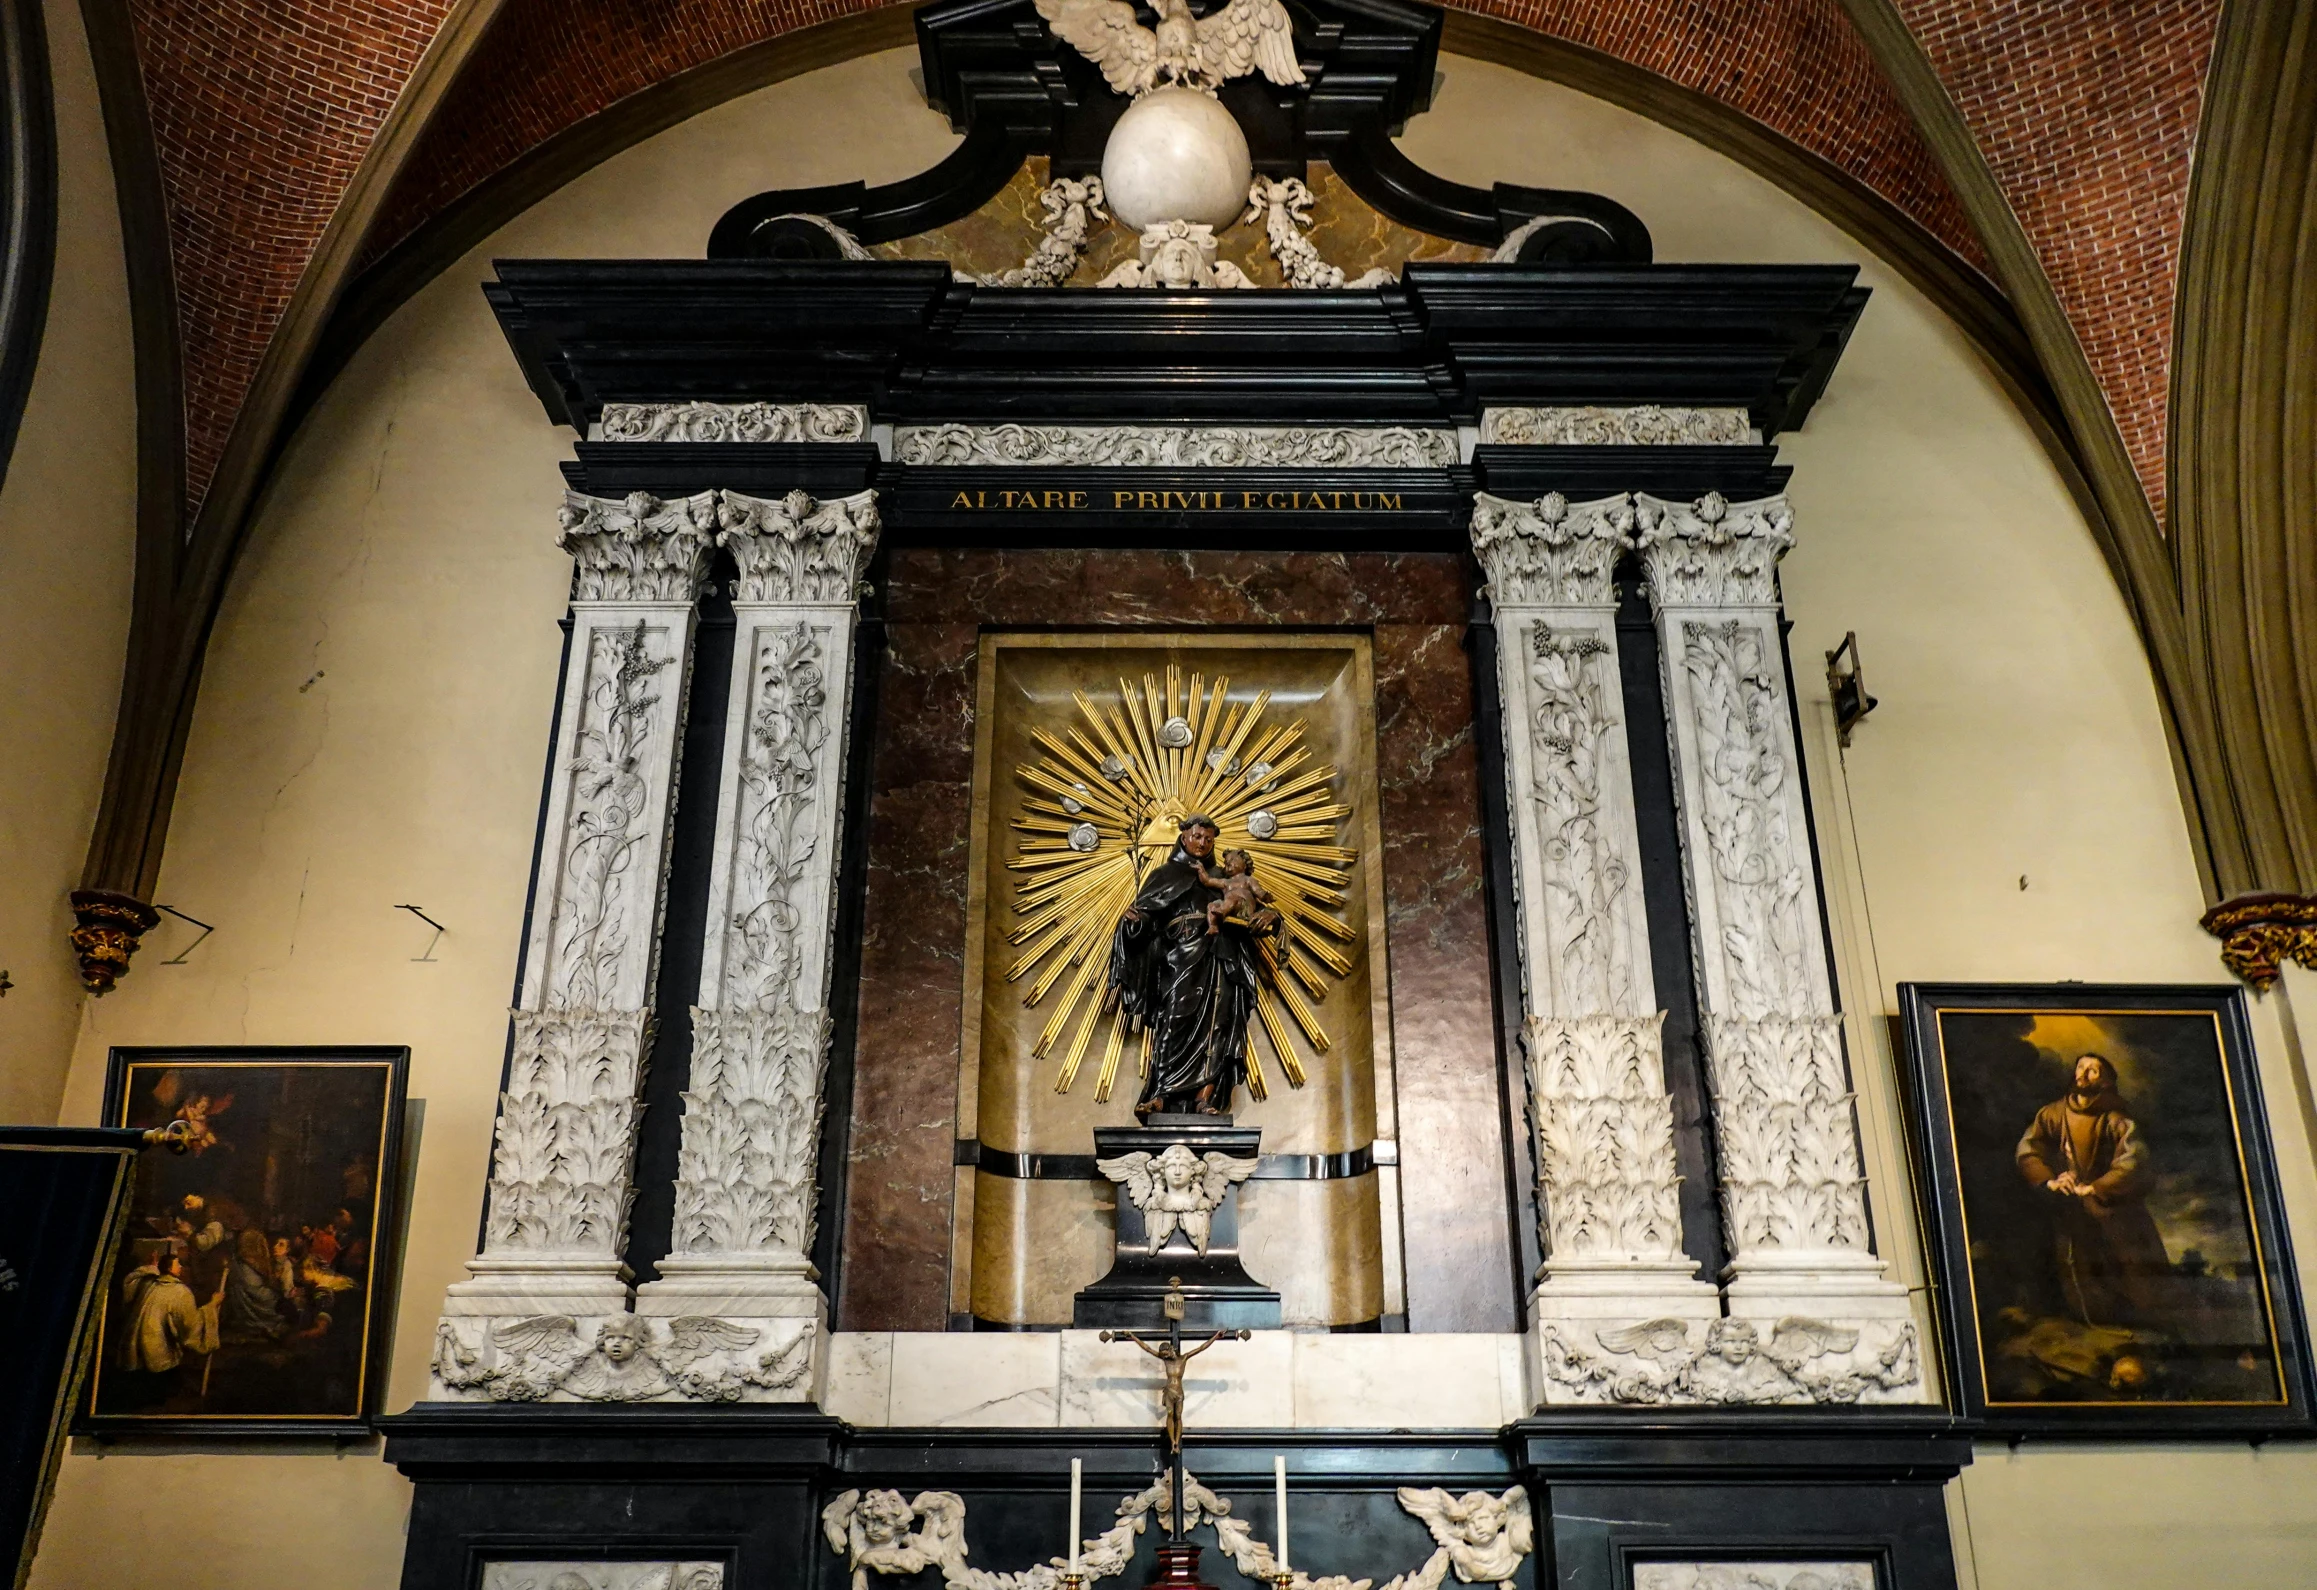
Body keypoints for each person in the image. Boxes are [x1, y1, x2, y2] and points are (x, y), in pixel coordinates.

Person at [1109, 815, 1280, 1118]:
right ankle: (1161, 1094)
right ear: (1184, 836)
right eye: (1197, 836)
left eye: (1209, 839)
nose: (1202, 843)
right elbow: (1147, 918)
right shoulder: (1163, 875)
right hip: (1179, 957)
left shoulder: (1220, 876)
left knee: (1218, 1024)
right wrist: (1134, 924)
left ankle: (1205, 1099)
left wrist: (1273, 917)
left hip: (1220, 956)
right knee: (1174, 1019)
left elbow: (1251, 906)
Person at [2015, 1052, 2175, 1327]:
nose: (2083, 1074)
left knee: (2131, 1273)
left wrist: (2097, 1187)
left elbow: (2134, 1160)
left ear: (2106, 1081)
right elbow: (2029, 1150)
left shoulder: (2116, 1118)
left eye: (2093, 1070)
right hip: (2070, 1207)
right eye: (2081, 1067)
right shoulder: (2053, 1114)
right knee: (2076, 1271)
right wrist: (2050, 1180)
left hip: (2114, 1209)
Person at [122, 1249, 219, 1374]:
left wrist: (151, 1267)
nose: (181, 1267)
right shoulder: (180, 1292)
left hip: (137, 1352)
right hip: (161, 1355)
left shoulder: (149, 1284)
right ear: (169, 1269)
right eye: (177, 1264)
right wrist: (212, 1306)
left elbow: (132, 1281)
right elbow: (190, 1326)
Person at [220, 1226, 289, 1342]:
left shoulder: (248, 1262)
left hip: (252, 1303)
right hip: (253, 1308)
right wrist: (277, 1296)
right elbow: (257, 1292)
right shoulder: (243, 1267)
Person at [1198, 848, 1270, 936]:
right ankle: (1213, 926)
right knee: (1212, 905)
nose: (1228, 863)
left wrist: (1265, 896)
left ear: (1245, 863)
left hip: (1244, 907)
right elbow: (1208, 881)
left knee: (1232, 897)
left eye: (1232, 859)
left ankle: (1222, 912)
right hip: (1228, 906)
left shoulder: (1248, 880)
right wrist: (1201, 870)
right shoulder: (1225, 882)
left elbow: (1258, 891)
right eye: (1226, 862)